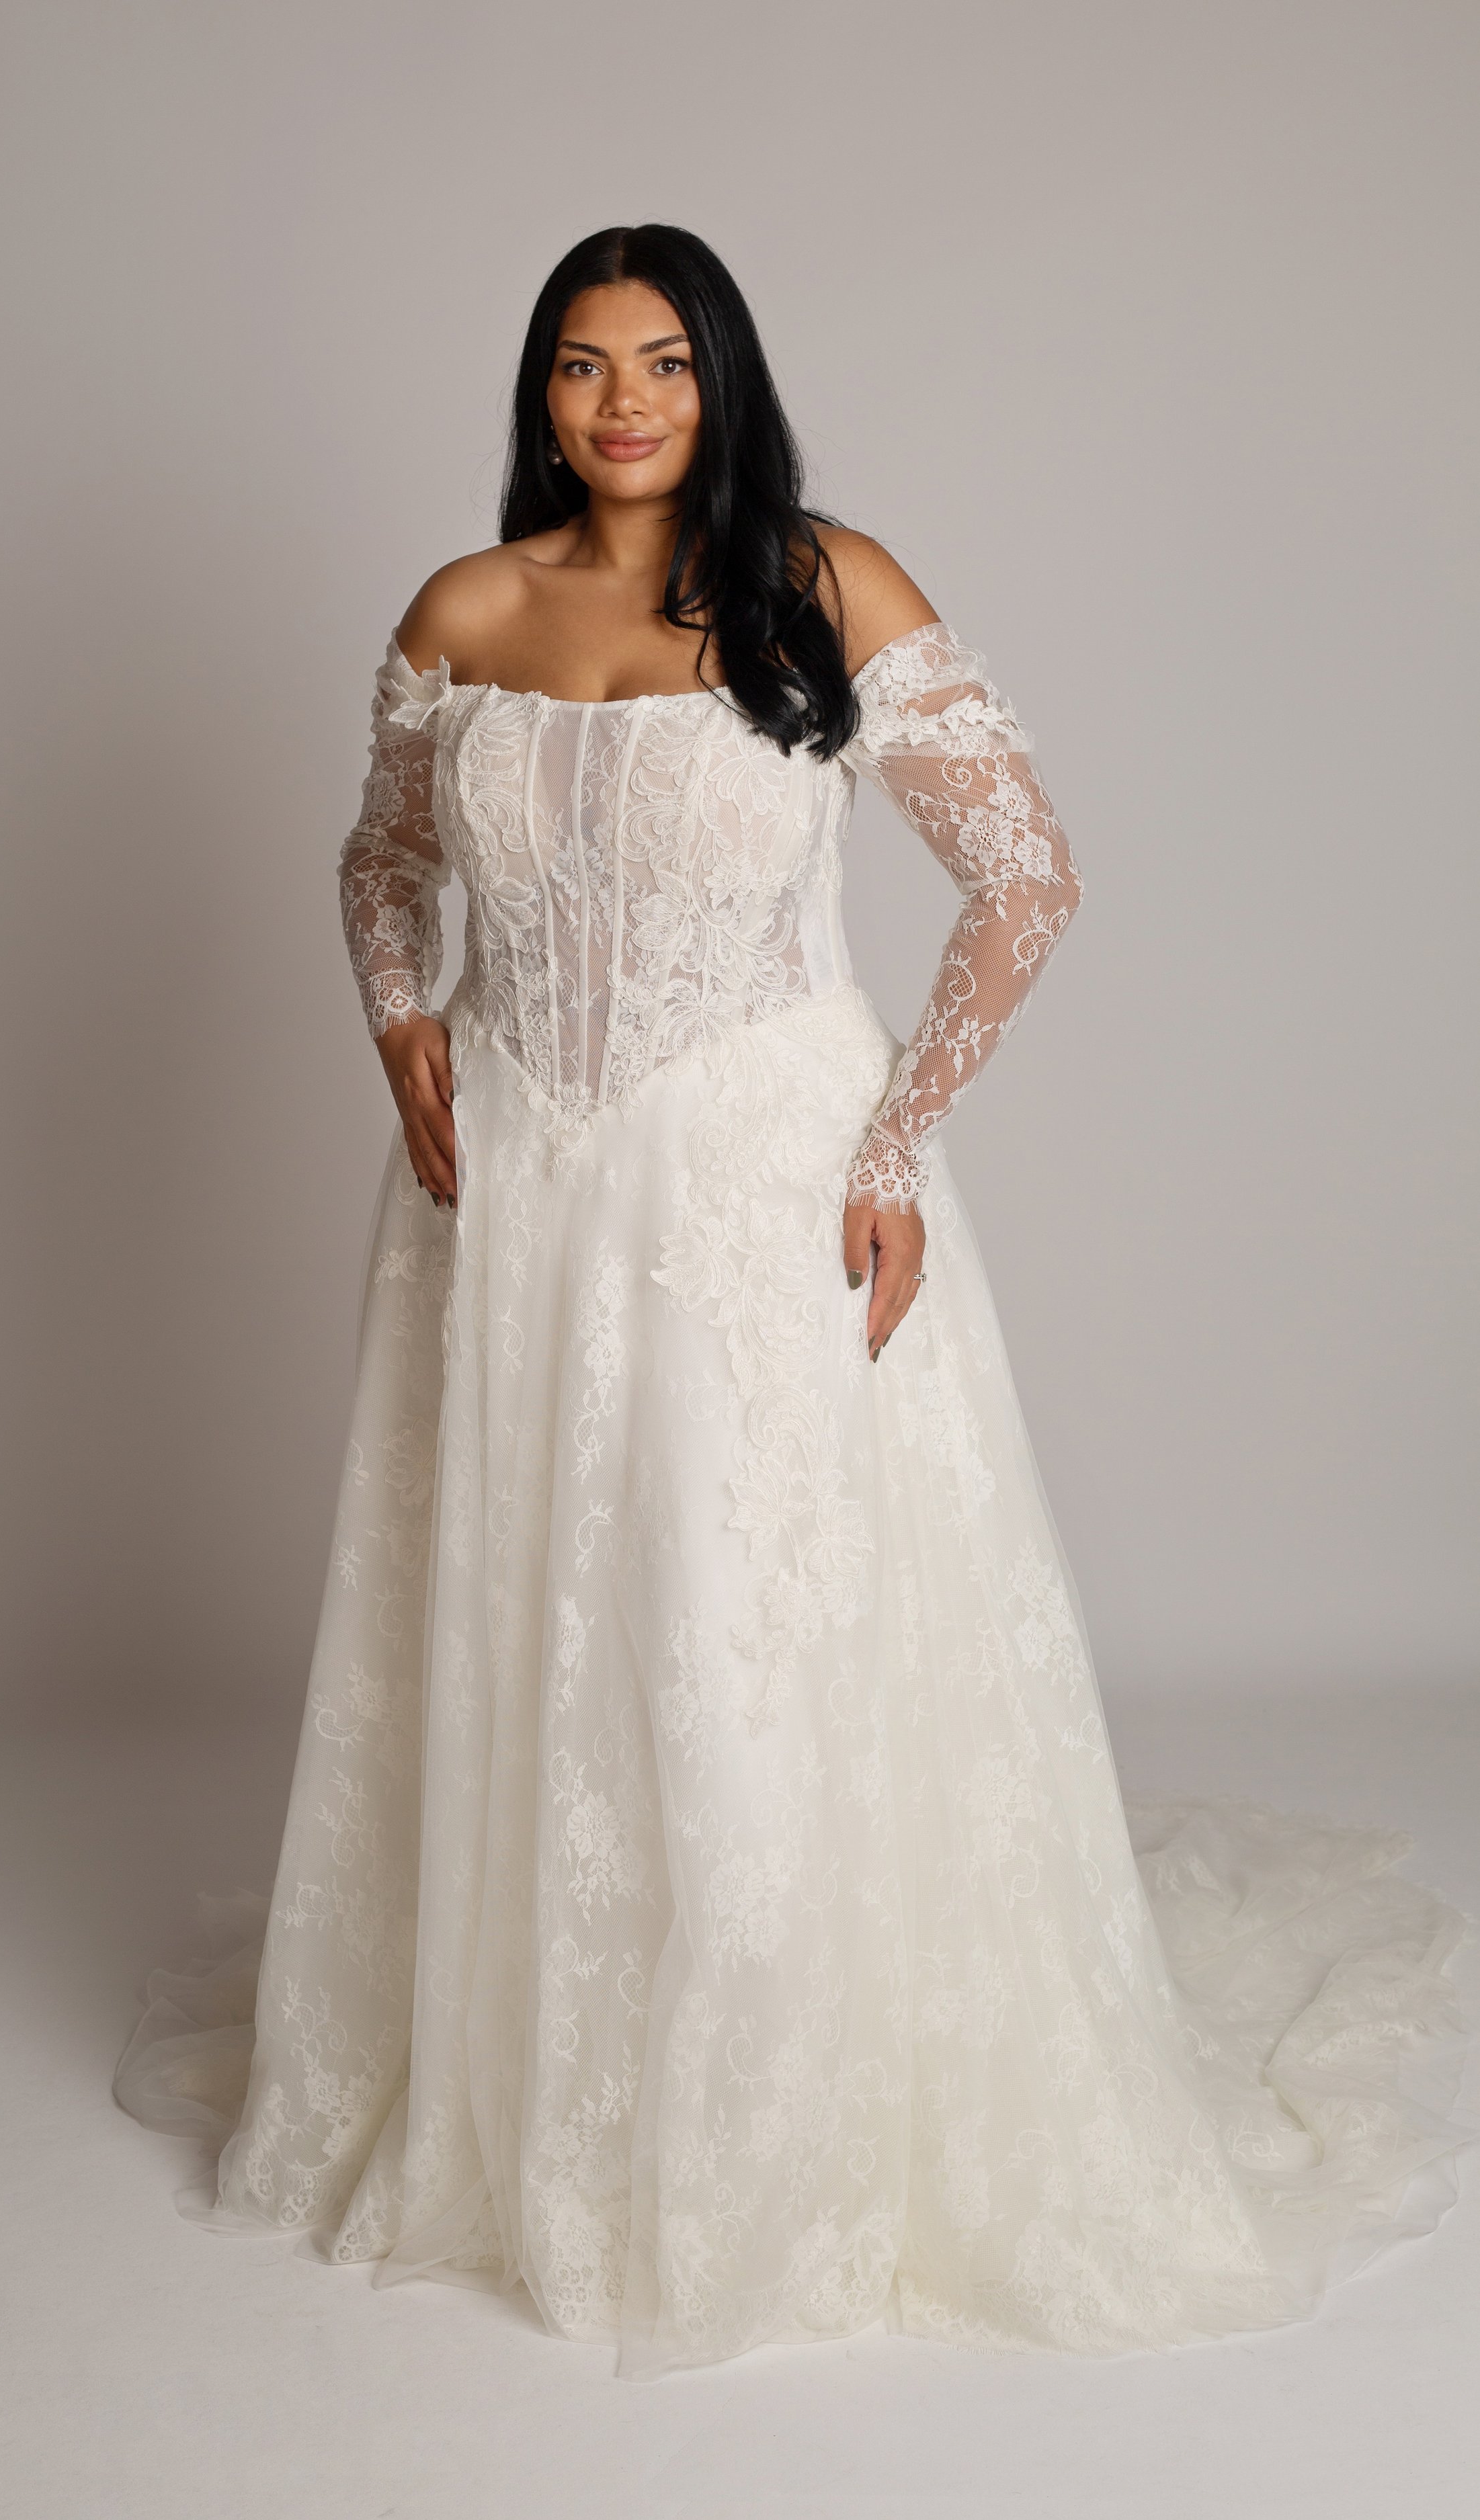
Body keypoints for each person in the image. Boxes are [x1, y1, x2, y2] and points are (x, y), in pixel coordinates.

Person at [116, 224, 1475, 2378]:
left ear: (721, 379)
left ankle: (766, 2119)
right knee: (538, 1604)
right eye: (581, 366)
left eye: (662, 362)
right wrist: (400, 1029)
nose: (624, 403)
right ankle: (531, 2078)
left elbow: (1025, 869)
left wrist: (890, 1140)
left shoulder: (819, 584)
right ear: (537, 395)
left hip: (752, 1173)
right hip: (514, 1188)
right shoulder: (461, 612)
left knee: (735, 1614)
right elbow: (381, 861)